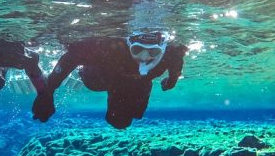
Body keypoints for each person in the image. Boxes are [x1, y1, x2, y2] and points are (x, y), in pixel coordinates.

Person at [32, 30, 187, 129]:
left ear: (161, 48)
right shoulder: (110, 51)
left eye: (152, 51)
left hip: (116, 81)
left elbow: (176, 62)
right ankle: (122, 108)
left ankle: (123, 108)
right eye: (138, 50)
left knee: (132, 112)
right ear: (129, 44)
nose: (144, 58)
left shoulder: (169, 55)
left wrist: (48, 92)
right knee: (127, 111)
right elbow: (71, 57)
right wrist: (48, 92)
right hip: (102, 78)